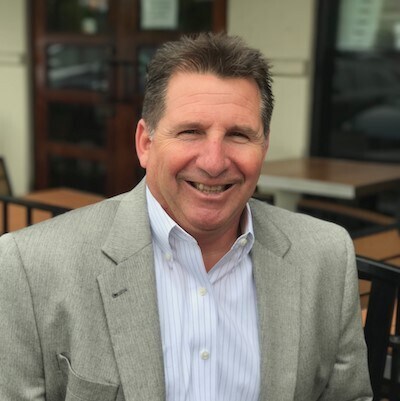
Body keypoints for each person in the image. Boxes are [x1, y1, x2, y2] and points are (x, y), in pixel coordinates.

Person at [0, 33, 372, 401]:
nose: (214, 162)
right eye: (191, 131)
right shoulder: (32, 266)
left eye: (239, 135)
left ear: (264, 145)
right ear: (145, 143)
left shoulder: (325, 255)